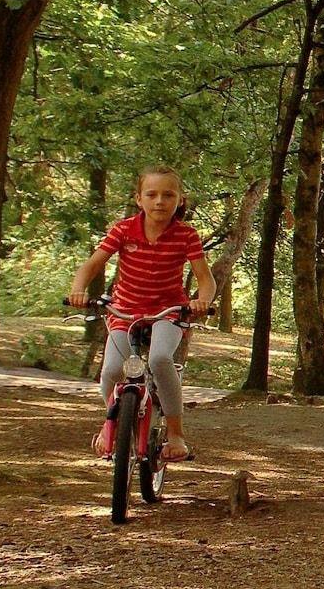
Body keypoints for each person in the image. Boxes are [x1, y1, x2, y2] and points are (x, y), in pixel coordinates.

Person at [68, 166, 216, 462]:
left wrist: (202, 301)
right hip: (124, 311)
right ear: (139, 199)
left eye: (168, 195)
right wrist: (77, 290)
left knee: (160, 359)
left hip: (167, 311)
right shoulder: (124, 230)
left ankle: (175, 434)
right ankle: (111, 423)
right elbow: (92, 265)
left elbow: (205, 279)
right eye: (151, 194)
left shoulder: (186, 235)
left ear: (180, 200)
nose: (159, 201)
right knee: (111, 371)